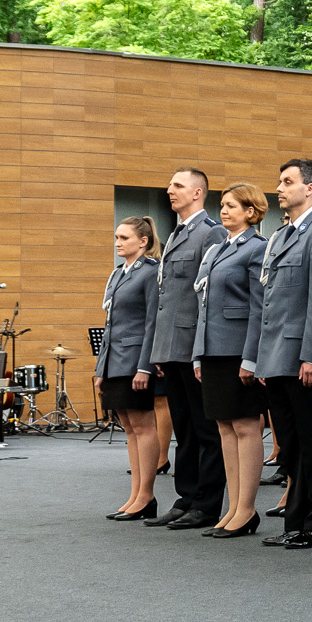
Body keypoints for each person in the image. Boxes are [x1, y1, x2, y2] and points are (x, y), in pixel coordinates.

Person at [249, 159, 312, 551]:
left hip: (304, 359)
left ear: (310, 188)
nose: (279, 188)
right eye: (279, 180)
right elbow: (271, 303)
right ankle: (297, 520)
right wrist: (261, 360)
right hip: (277, 358)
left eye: (288, 181)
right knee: (291, 445)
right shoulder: (281, 235)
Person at [144, 169, 229, 530]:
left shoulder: (211, 232)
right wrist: (160, 351)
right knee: (184, 428)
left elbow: (206, 297)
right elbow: (168, 297)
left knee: (206, 428)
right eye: (170, 185)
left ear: (198, 192)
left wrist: (198, 351)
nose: (169, 190)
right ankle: (187, 496)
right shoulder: (179, 232)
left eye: (177, 185)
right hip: (172, 347)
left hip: (194, 345)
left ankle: (207, 503)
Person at [193, 183, 270, 537]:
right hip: (213, 351)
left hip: (238, 351)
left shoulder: (256, 248)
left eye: (232, 206)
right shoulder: (215, 249)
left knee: (245, 426)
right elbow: (203, 306)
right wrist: (198, 353)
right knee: (224, 427)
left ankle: (248, 508)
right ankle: (234, 506)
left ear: (251, 212)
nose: (223, 211)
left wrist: (251, 358)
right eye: (221, 205)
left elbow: (259, 308)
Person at [97, 225, 162, 514]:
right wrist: (101, 368)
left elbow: (152, 322)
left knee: (143, 426)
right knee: (129, 428)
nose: (117, 243)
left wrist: (144, 367)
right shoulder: (117, 273)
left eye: (124, 238)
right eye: (116, 238)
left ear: (143, 241)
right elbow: (109, 325)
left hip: (135, 360)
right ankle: (135, 494)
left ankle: (146, 495)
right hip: (115, 361)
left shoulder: (150, 271)